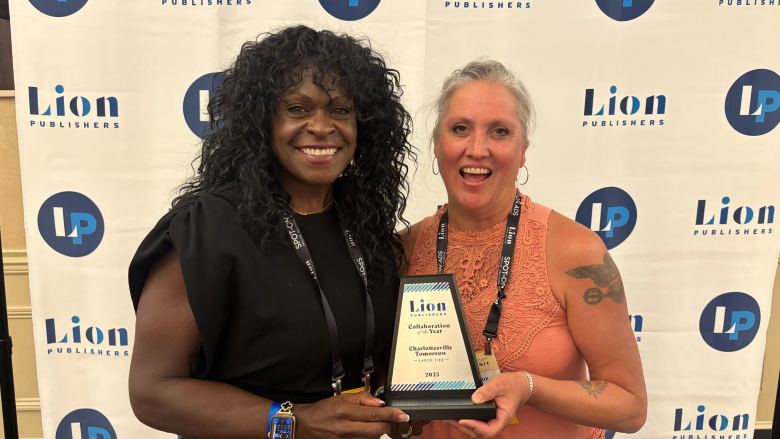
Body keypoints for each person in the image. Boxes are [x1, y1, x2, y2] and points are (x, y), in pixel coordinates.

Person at [128, 25, 416, 439]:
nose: (321, 126)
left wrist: (407, 411)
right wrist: (295, 422)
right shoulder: (206, 229)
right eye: (298, 108)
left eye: (340, 110)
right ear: (262, 121)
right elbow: (152, 391)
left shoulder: (366, 228)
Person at [402, 59, 647, 439]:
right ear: (437, 143)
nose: (477, 149)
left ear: (523, 151)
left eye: (499, 131)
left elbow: (630, 407)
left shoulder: (575, 251)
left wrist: (529, 387)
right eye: (460, 128)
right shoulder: (405, 249)